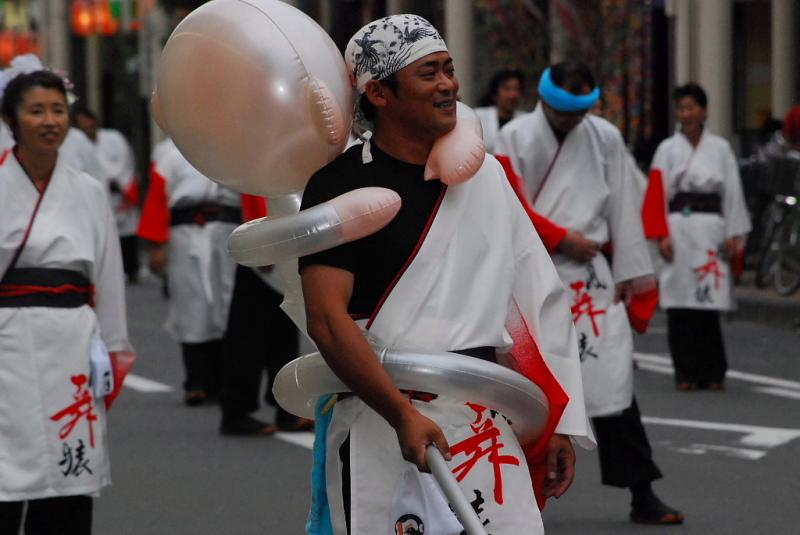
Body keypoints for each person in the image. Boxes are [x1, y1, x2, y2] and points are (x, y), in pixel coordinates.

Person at [299, 15, 592, 535]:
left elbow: (537, 297)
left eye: (449, 70)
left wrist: (562, 424)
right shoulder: (338, 185)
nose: (449, 85)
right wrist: (399, 414)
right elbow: (326, 319)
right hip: (379, 418)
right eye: (429, 73)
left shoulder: (486, 177)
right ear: (379, 93)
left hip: (480, 415)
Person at [495, 61, 683, 525]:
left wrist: (629, 272)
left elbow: (623, 203)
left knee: (613, 382)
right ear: (543, 100)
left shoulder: (605, 137)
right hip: (535, 273)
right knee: (529, 393)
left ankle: (642, 491)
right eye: (562, 113)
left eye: (578, 114)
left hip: (593, 280)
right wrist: (561, 239)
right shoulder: (513, 136)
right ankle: (519, 503)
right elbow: (508, 205)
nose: (571, 122)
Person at [0, 68, 130, 533]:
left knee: (71, 469)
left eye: (58, 110)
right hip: (7, 343)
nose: (50, 120)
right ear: (11, 119)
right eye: (36, 111)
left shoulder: (88, 190)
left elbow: (108, 276)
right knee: (6, 472)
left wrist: (114, 350)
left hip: (72, 341)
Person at [642, 83, 751, 391]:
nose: (686, 114)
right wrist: (660, 233)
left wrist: (733, 231)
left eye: (691, 107)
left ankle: (714, 371)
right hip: (678, 228)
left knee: (707, 302)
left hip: (710, 230)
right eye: (681, 108)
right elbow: (656, 193)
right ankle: (686, 372)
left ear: (704, 111)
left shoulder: (720, 149)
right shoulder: (667, 149)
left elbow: (731, 191)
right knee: (680, 303)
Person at [137, 136, 239, 406]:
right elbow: (158, 199)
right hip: (185, 234)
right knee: (191, 306)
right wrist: (156, 245)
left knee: (226, 305)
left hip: (225, 232)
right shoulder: (170, 153)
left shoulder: (231, 146)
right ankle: (195, 380)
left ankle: (223, 380)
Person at [219, 194, 313, 435]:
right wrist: (260, 240)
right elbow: (255, 185)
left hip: (285, 238)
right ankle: (236, 410)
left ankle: (286, 407)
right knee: (248, 334)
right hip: (264, 241)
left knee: (284, 332)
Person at [74, 105, 141, 283]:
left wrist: (120, 182)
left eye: (86, 121)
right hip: (99, 192)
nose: (85, 126)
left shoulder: (114, 138)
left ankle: (132, 269)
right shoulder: (79, 143)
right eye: (80, 123)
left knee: (128, 230)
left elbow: (127, 161)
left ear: (93, 120)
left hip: (120, 190)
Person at [474, 69, 525, 153]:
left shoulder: (525, 121)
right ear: (495, 92)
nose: (513, 95)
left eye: (516, 89)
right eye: (507, 89)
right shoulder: (478, 117)